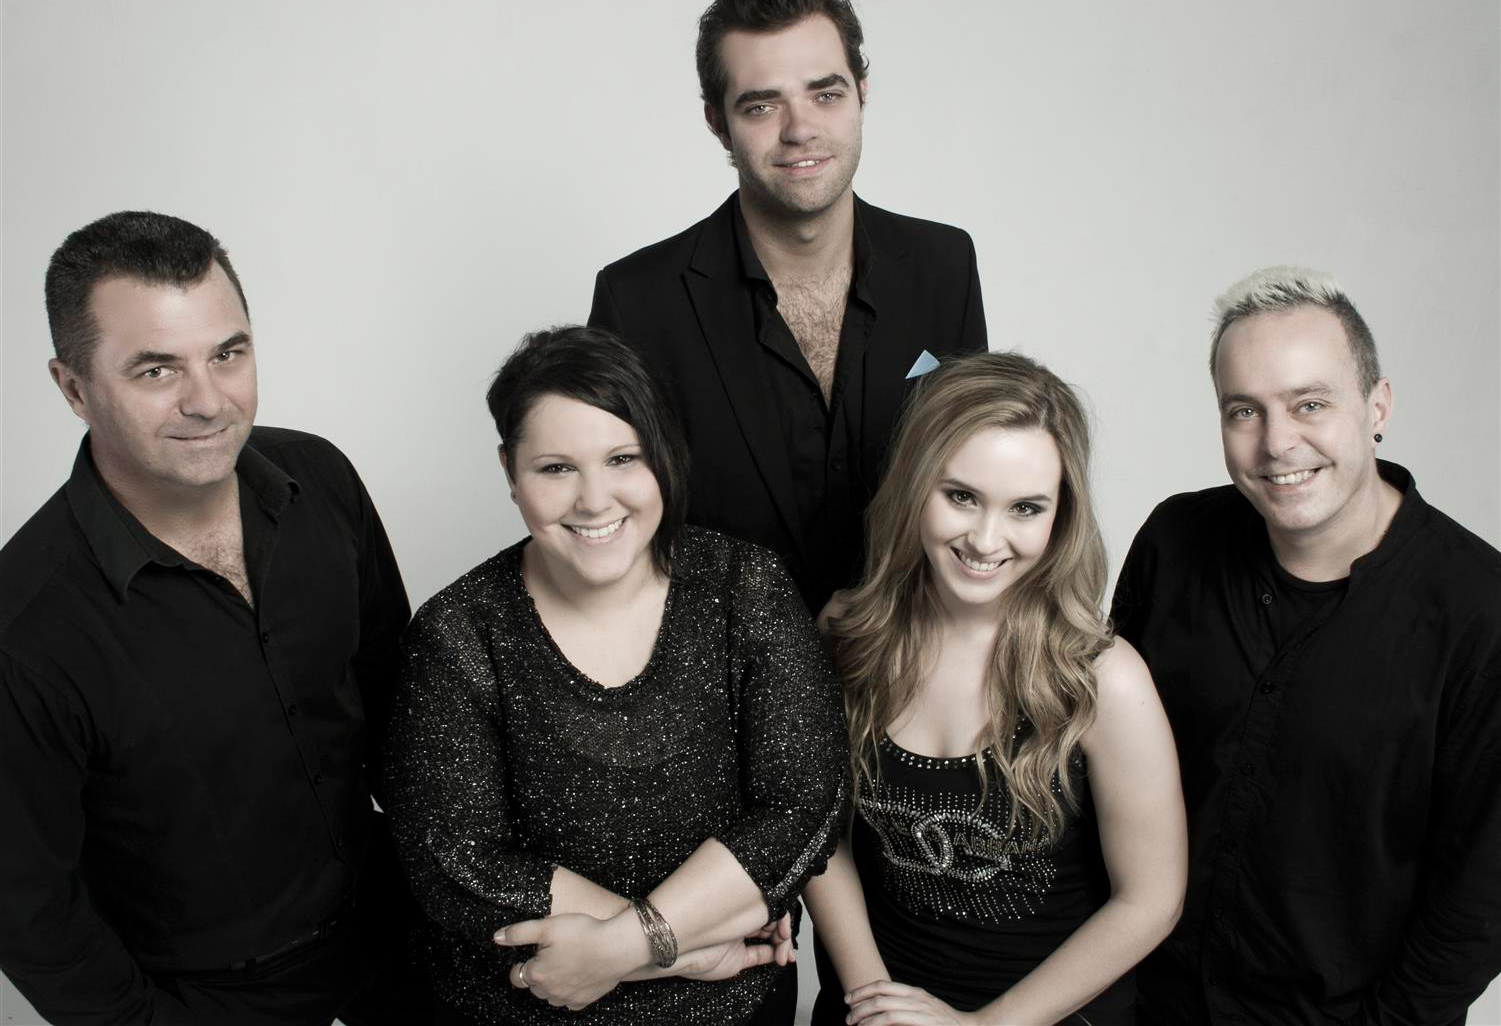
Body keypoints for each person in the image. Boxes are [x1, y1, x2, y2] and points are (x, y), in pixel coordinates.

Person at [0, 211, 429, 1024]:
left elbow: (393, 699)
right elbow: (28, 910)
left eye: (228, 354)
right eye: (156, 370)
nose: (208, 402)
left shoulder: (321, 477)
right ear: (73, 388)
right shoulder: (25, 631)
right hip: (211, 995)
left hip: (391, 919)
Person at [383, 325, 850, 1025]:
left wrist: (623, 947)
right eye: (556, 468)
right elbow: (458, 859)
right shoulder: (457, 633)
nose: (594, 500)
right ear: (510, 472)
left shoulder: (744, 587)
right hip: (530, 1006)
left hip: (734, 1005)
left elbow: (803, 805)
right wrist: (685, 950)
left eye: (622, 458)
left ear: (663, 454)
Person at [1111, 267, 1501, 1024]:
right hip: (1144, 1005)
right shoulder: (1175, 540)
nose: (1277, 442)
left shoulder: (1480, 611)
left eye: (1309, 404)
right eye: (1243, 411)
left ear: (1377, 406)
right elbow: (1094, 766)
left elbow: (1480, 894)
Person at [590, 0, 988, 614]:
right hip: (722, 664)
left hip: (912, 652)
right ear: (717, 122)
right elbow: (618, 528)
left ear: (862, 94)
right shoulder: (635, 301)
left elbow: (975, 476)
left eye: (825, 94)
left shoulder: (944, 264)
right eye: (761, 105)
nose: (800, 129)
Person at [804, 352, 1186, 1026]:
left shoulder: (1103, 678)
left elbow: (1151, 900)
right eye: (961, 497)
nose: (985, 539)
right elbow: (816, 830)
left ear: (1060, 517)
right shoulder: (846, 636)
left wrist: (983, 1025)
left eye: (1025, 508)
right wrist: (871, 1000)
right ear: (914, 485)